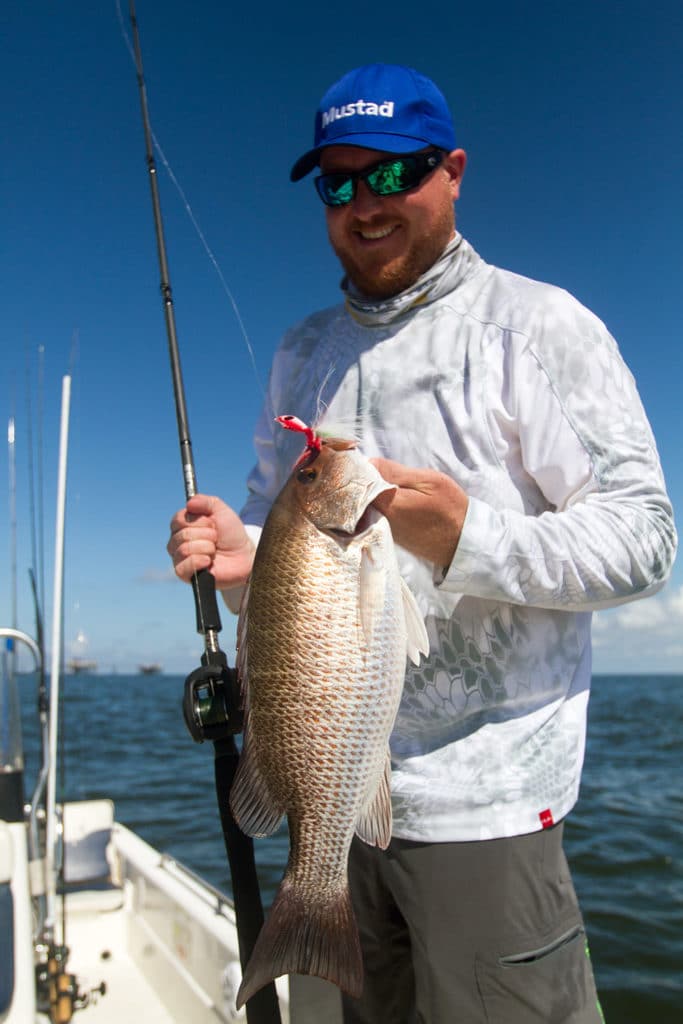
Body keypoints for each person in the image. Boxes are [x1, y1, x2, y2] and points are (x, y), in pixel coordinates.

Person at [167, 63, 677, 1023]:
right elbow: (290, 547)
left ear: (450, 171)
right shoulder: (301, 352)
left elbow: (646, 542)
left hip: (484, 809)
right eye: (338, 181)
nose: (365, 203)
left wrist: (467, 538)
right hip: (328, 805)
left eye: (392, 172)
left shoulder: (537, 326)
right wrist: (243, 561)